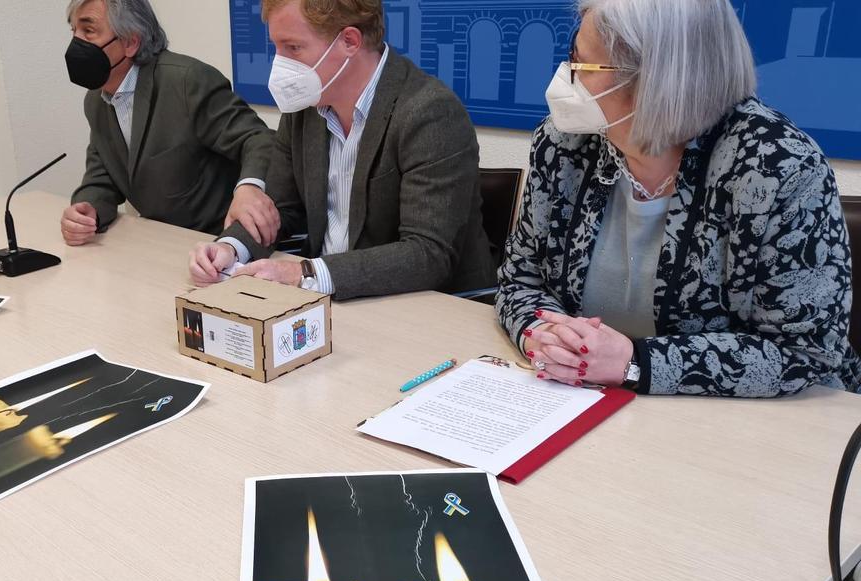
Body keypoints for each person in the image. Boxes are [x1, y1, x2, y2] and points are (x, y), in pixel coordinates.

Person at [497, 0, 860, 397]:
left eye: (580, 63)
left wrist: (634, 363)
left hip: (754, 422)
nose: (566, 77)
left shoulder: (778, 167)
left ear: (653, 79)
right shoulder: (564, 145)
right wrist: (543, 335)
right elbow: (520, 278)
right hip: (583, 400)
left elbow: (805, 350)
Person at [187, 0, 495, 300]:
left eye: (293, 48)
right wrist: (229, 249)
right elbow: (280, 209)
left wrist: (305, 274)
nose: (279, 65)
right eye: (276, 47)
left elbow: (428, 253)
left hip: (425, 307)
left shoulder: (430, 112)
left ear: (349, 41)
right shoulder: (306, 104)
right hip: (329, 298)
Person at [61, 0, 277, 244]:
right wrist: (87, 211)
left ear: (131, 42)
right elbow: (102, 175)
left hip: (219, 243)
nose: (76, 42)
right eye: (74, 31)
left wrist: (249, 188)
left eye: (88, 31)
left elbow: (259, 139)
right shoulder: (96, 100)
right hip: (159, 244)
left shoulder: (187, 82)